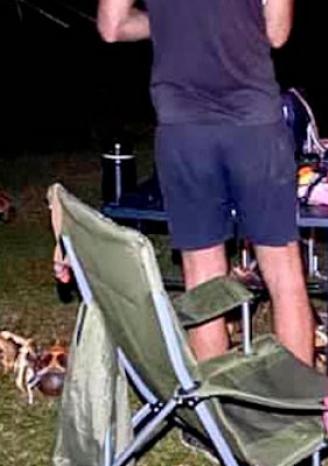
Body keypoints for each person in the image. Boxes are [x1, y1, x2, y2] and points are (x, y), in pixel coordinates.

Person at [96, 0, 314, 366]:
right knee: (283, 271)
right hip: (254, 125)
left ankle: (211, 413)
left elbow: (111, 26)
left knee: (203, 277)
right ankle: (302, 407)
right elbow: (277, 34)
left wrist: (168, 23)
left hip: (184, 128)